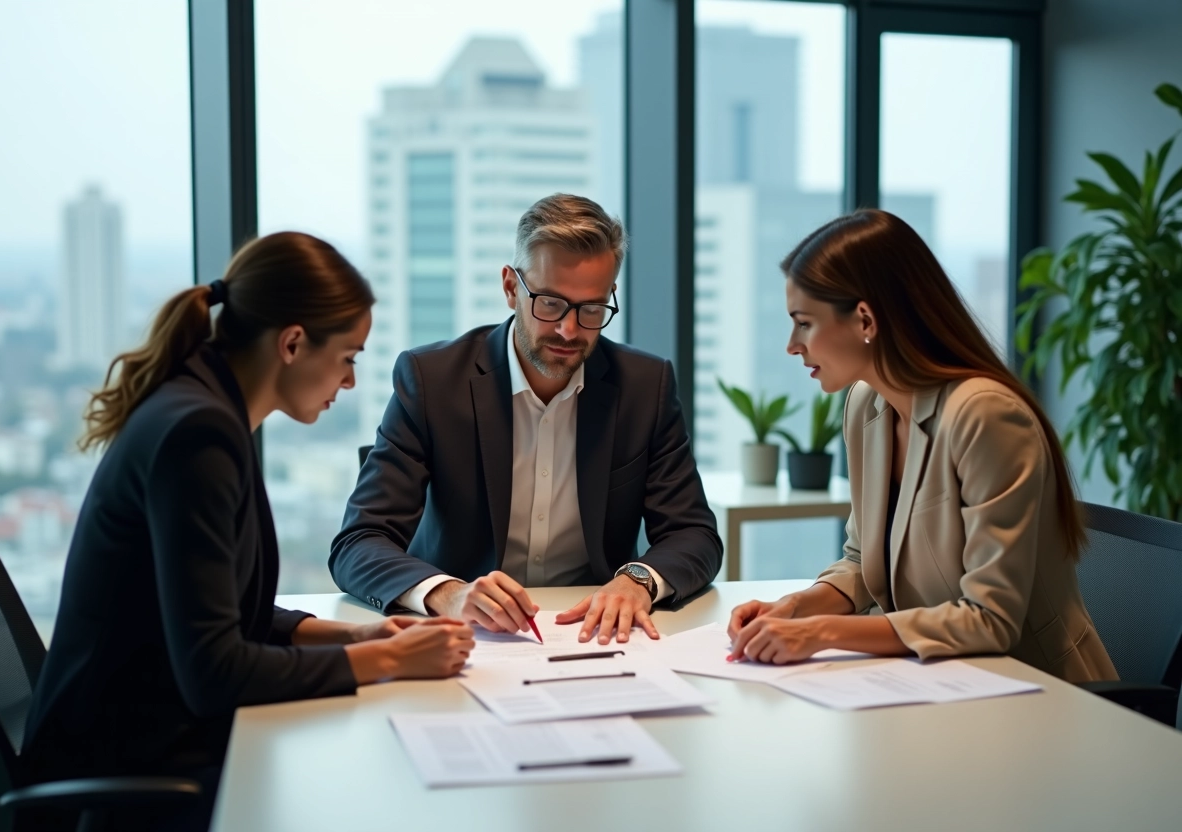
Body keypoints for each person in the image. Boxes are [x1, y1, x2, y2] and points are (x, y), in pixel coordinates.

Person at [21, 232, 474, 831]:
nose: (350, 383)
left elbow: (225, 614)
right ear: (292, 343)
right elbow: (215, 671)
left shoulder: (207, 409)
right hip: (126, 778)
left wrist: (353, 636)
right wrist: (389, 659)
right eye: (348, 358)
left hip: (150, 739)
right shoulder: (197, 435)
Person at [728, 209, 1116, 683]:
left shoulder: (986, 415)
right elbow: (861, 561)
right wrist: (797, 607)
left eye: (804, 323)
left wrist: (825, 632)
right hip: (938, 681)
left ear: (865, 319)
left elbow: (990, 619)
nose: (792, 345)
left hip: (1036, 691)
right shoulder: (865, 405)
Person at [330, 194, 721, 644]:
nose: (569, 330)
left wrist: (638, 580)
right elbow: (358, 542)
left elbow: (695, 534)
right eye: (550, 304)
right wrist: (450, 594)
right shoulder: (433, 382)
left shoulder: (644, 385)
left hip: (596, 635)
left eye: (592, 309)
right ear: (511, 287)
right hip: (467, 638)